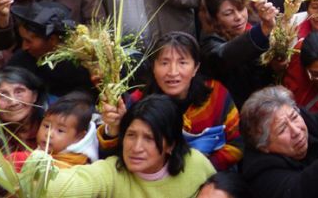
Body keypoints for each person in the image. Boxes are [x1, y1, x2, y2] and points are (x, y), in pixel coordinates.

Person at [0, 95, 216, 197]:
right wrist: (24, 163)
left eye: (149, 139)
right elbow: (65, 187)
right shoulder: (111, 172)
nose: (136, 147)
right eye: (131, 135)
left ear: (170, 145)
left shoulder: (196, 164)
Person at [100, 32, 243, 172]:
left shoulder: (216, 94)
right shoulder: (137, 102)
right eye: (164, 63)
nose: (173, 72)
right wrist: (113, 128)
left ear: (195, 68)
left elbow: (237, 144)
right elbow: (113, 157)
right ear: (153, 67)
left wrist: (198, 170)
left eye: (182, 62)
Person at [199, 0, 277, 107]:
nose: (239, 17)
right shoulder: (209, 42)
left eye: (241, 9)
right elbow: (224, 55)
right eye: (228, 13)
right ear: (214, 18)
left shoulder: (255, 25)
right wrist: (262, 30)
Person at [9, 92, 98, 170]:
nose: (49, 134)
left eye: (60, 130)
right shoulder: (51, 151)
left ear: (79, 137)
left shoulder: (73, 164)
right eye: (47, 126)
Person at [0, 66, 45, 151]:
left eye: (19, 92)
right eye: (3, 95)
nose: (13, 102)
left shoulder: (52, 129)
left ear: (34, 96)